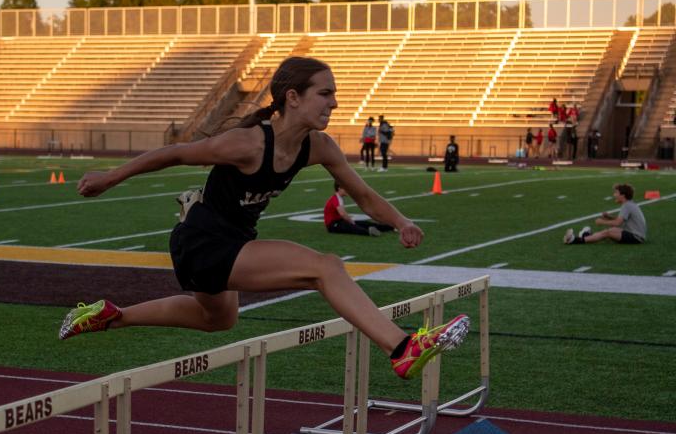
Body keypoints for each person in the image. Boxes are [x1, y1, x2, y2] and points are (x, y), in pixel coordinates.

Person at [59, 57, 470, 381]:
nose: (335, 103)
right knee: (325, 268)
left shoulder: (319, 148)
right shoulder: (248, 144)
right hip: (204, 241)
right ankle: (401, 349)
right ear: (293, 97)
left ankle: (110, 316)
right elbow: (174, 154)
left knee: (218, 319)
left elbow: (363, 195)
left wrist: (401, 222)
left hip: (229, 242)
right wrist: (108, 178)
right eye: (325, 93)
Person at [564, 184, 646, 245]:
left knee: (608, 233)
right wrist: (609, 217)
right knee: (608, 231)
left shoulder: (627, 205)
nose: (614, 195)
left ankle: (575, 240)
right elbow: (622, 220)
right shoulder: (629, 204)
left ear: (623, 195)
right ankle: (586, 236)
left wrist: (602, 222)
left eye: (616, 193)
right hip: (635, 235)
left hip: (635, 237)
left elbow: (618, 223)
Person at [324, 182, 394, 237]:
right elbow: (343, 214)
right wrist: (351, 221)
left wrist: (351, 221)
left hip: (339, 222)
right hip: (333, 225)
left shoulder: (338, 198)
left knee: (364, 223)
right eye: (345, 188)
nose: (348, 190)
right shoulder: (336, 198)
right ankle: (368, 232)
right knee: (352, 227)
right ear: (339, 188)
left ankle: (390, 227)